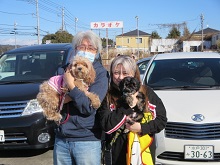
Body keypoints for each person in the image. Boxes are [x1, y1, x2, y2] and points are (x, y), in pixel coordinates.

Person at [98, 55, 167, 165]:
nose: (120, 77)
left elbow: (161, 120)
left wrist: (141, 128)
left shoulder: (146, 92)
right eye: (116, 73)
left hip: (143, 152)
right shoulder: (108, 95)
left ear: (134, 74)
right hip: (117, 154)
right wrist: (128, 105)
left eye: (125, 73)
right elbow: (106, 125)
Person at [53, 30, 109, 165]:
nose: (86, 50)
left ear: (96, 52)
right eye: (82, 47)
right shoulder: (63, 70)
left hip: (87, 140)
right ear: (75, 49)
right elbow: (51, 101)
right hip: (61, 139)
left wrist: (71, 86)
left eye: (90, 48)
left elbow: (89, 107)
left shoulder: (100, 74)